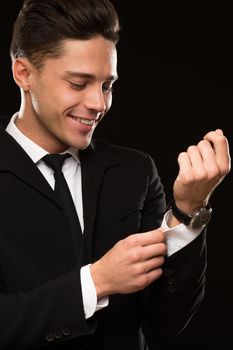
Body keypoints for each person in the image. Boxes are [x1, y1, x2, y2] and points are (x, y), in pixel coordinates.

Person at [0, 0, 230, 349]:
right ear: (24, 74)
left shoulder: (135, 172)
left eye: (107, 85)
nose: (99, 103)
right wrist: (95, 282)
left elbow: (165, 322)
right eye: (79, 84)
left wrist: (187, 211)